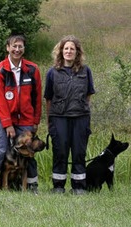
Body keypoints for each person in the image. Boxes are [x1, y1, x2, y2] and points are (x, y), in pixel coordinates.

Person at [0, 34, 42, 193]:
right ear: (8, 48)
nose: (17, 49)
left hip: (26, 119)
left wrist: (35, 120)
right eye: (14, 46)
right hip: (3, 119)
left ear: (24, 48)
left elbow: (37, 97)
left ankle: (32, 187)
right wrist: (7, 124)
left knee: (30, 152)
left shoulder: (33, 69)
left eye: (20, 46)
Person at [44, 35, 95, 195]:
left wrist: (82, 109)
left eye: (72, 49)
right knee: (60, 151)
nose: (69, 51)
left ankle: (78, 186)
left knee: (79, 152)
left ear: (77, 52)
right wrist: (49, 121)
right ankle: (58, 186)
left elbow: (88, 95)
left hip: (80, 117)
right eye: (66, 48)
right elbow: (48, 98)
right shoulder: (52, 73)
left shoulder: (85, 71)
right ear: (61, 51)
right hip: (59, 118)